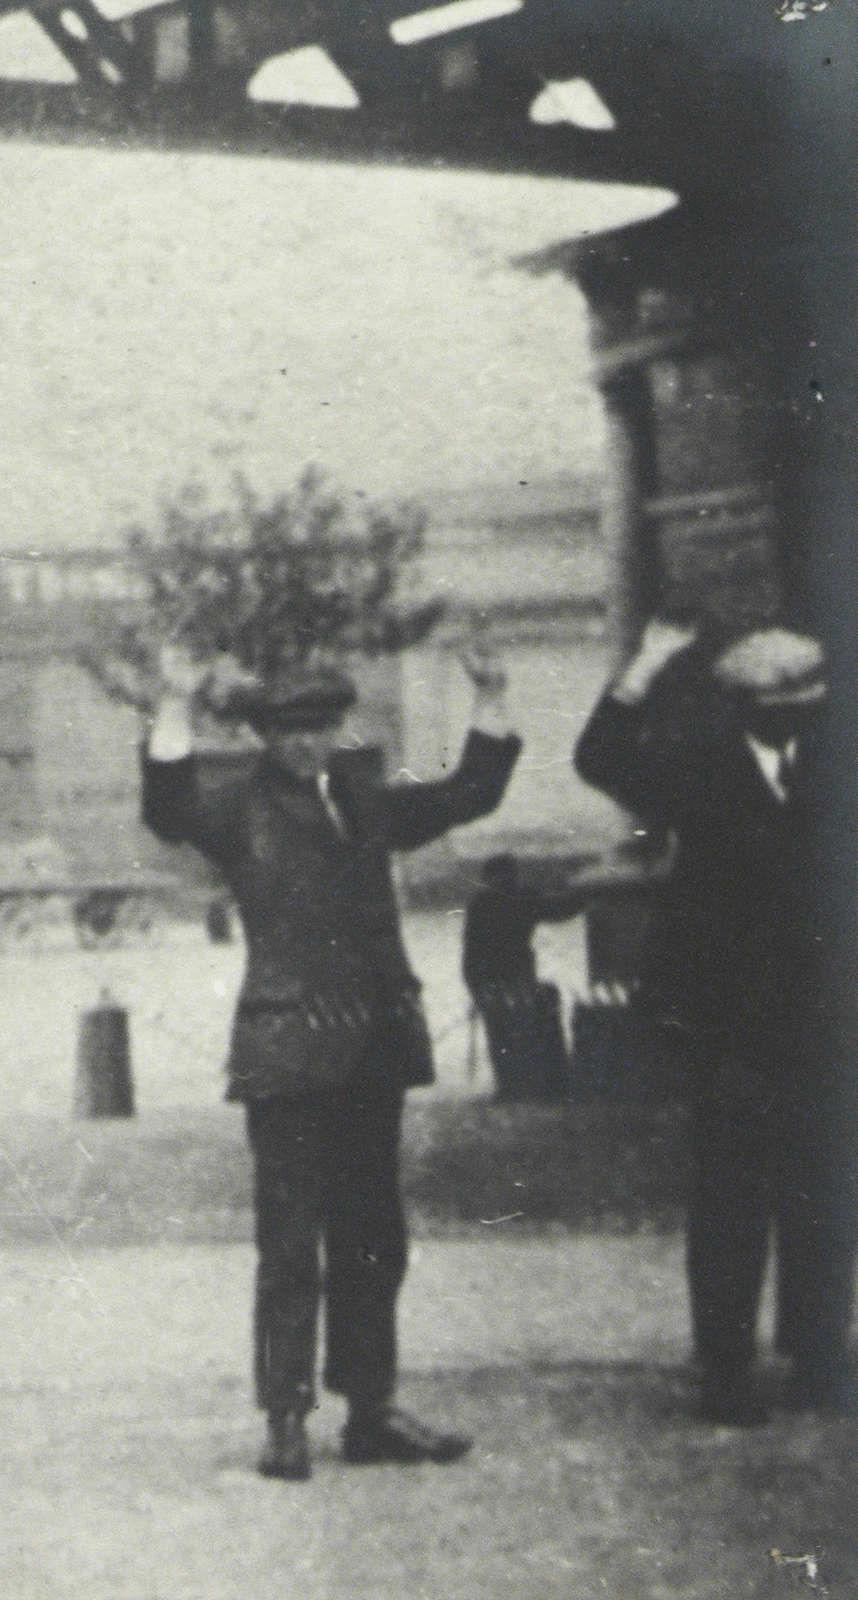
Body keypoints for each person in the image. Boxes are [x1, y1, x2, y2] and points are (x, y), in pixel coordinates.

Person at [139, 644, 519, 1482]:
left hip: (373, 1051)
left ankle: (371, 1410)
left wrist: (490, 696)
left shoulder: (366, 798)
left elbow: (471, 793)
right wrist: (171, 706)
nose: (309, 744)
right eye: (289, 730)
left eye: (322, 726)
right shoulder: (237, 804)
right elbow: (168, 807)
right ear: (266, 736)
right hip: (287, 1057)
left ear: (341, 726)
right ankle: (285, 1418)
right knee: (288, 1246)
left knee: (376, 1238)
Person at [573, 620, 852, 1423]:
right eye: (783, 706)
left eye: (810, 704)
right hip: (726, 1020)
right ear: (742, 707)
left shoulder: (835, 768)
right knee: (732, 1190)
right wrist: (645, 668)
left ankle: (820, 1357)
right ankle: (726, 1366)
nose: (801, 720)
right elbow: (598, 759)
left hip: (824, 1019)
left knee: (824, 1188)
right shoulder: (698, 771)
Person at [460, 854, 589, 1101]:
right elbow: (560, 910)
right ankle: (551, 1083)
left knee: (503, 1033)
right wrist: (584, 893)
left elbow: (469, 954)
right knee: (536, 1019)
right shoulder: (521, 897)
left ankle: (512, 1086)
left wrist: (475, 990)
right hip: (513, 977)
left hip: (490, 980)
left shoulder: (481, 903)